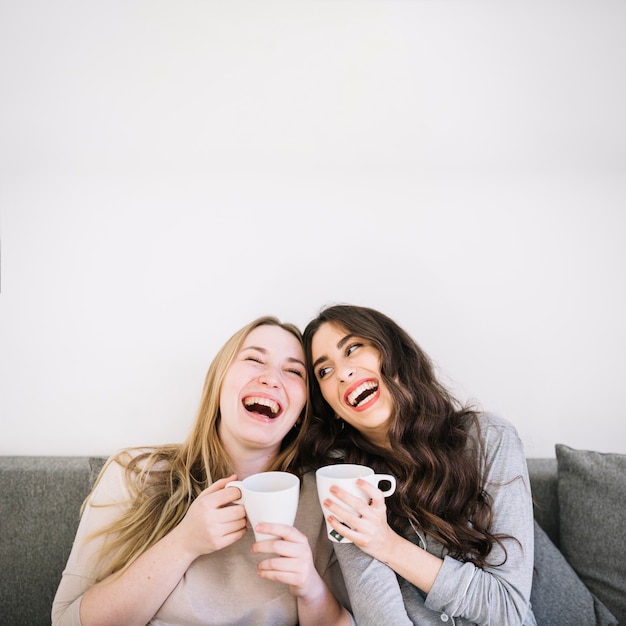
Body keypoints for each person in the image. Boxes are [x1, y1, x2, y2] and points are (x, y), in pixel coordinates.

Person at [52, 316, 354, 626]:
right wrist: (184, 543)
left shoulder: (325, 493)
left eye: (293, 371)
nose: (271, 379)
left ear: (301, 411)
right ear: (218, 382)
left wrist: (312, 590)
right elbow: (66, 622)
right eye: (253, 359)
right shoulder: (134, 473)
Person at [300, 304, 537, 626]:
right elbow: (380, 617)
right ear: (331, 407)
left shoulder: (488, 439)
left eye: (353, 349)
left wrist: (386, 544)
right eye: (324, 371)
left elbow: (507, 608)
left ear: (394, 354)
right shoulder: (342, 477)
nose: (342, 373)